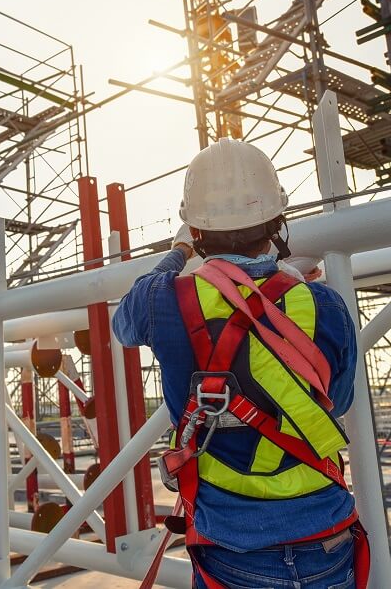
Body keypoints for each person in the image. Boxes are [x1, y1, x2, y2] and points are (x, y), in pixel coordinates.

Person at [113, 139, 366, 589]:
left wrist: (178, 254)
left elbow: (126, 319)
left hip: (230, 547)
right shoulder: (324, 304)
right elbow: (337, 401)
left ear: (195, 231)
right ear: (276, 221)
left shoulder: (164, 299)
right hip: (325, 537)